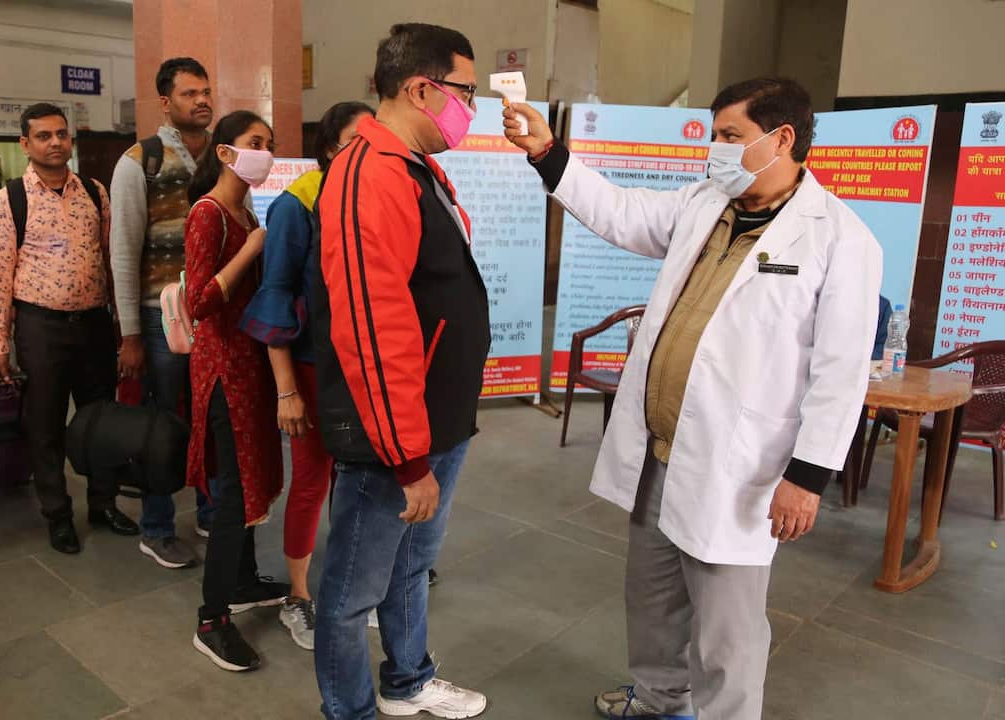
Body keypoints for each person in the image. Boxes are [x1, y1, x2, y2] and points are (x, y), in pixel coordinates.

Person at [504, 77, 881, 719]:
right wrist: (548, 152)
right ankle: (658, 698)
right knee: (650, 596)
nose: (716, 149)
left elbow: (840, 373)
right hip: (660, 449)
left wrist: (807, 477)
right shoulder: (706, 204)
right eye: (714, 135)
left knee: (727, 629)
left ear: (782, 138)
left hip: (740, 468)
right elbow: (622, 213)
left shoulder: (840, 241)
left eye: (731, 136)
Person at [310, 23, 490, 720]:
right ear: (422, 88)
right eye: (464, 93)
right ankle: (348, 709)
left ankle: (407, 680)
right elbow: (370, 328)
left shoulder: (413, 166)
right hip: (392, 439)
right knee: (351, 594)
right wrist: (407, 456)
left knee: (412, 566)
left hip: (434, 424)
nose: (469, 110)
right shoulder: (369, 174)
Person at [241, 100, 374, 651]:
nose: (366, 153)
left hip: (365, 370)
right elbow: (274, 297)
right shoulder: (298, 204)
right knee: (313, 478)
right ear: (327, 148)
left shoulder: (377, 197)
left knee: (360, 481)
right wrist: (287, 390)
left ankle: (346, 586)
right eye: (353, 142)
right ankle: (299, 596)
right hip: (316, 370)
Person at [0, 103, 138, 553]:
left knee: (100, 421)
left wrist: (123, 326)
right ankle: (57, 514)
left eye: (61, 134)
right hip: (40, 326)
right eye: (44, 136)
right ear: (25, 144)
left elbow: (112, 262)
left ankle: (103, 504)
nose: (55, 143)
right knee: (46, 425)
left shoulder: (94, 191)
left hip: (92, 324)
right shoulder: (9, 198)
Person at [184, 110, 288, 672]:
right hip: (223, 366)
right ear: (225, 152)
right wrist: (254, 249)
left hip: (249, 363)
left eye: (269, 144)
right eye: (254, 143)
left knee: (248, 477)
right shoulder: (209, 214)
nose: (264, 152)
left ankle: (243, 579)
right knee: (230, 490)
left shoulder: (242, 209)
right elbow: (199, 301)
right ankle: (211, 618)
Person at [110, 57, 215, 570]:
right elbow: (124, 253)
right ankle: (155, 526)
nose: (202, 100)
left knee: (212, 415)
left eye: (206, 91)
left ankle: (211, 511)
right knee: (163, 420)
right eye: (190, 92)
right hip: (160, 317)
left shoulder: (222, 156)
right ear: (166, 102)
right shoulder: (139, 161)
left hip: (213, 316)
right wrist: (130, 334)